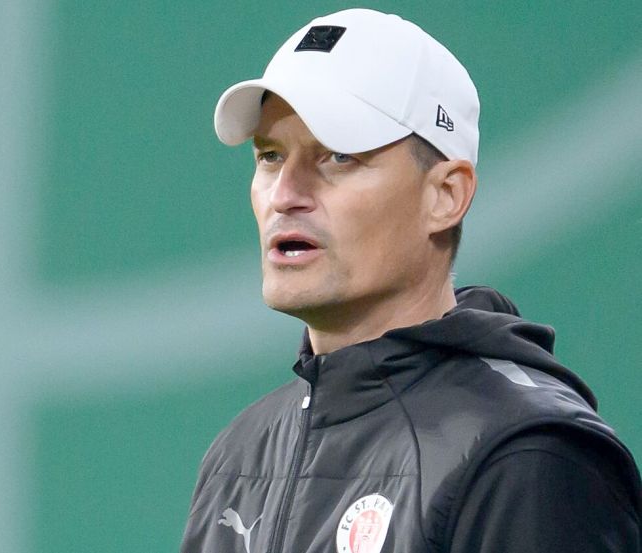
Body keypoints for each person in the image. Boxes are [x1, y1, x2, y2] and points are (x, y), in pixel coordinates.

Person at [180, 8, 641, 553]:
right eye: (270, 156)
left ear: (445, 195)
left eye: (338, 155)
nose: (284, 194)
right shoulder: (239, 456)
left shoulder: (526, 457)